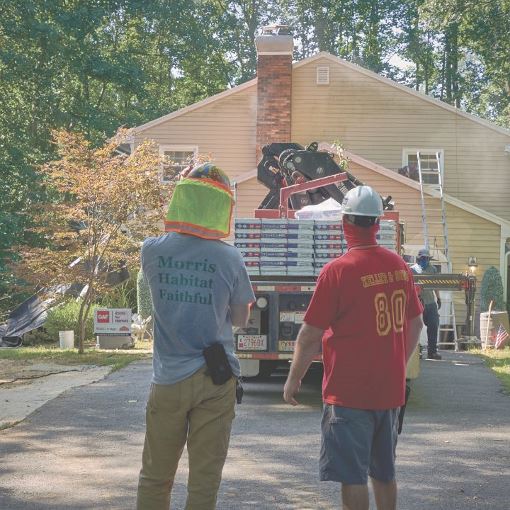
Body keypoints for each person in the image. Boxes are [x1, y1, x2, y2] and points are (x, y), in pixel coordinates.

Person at [283, 185, 423, 510]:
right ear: (378, 222)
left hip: (348, 395)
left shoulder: (337, 271)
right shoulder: (399, 266)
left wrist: (293, 381)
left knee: (353, 477)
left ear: (345, 222)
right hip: (389, 393)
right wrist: (397, 365)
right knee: (384, 473)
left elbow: (309, 335)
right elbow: (416, 324)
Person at [136, 162, 255, 510]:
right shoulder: (230, 257)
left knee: (156, 476)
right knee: (204, 481)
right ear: (221, 206)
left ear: (183, 198)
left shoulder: (151, 250)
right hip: (215, 379)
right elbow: (239, 319)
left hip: (168, 378)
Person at [411, 248, 442, 360]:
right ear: (419, 258)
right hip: (417, 302)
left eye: (427, 258)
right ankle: (416, 352)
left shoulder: (432, 269)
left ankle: (432, 351)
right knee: (416, 327)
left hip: (430, 302)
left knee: (433, 325)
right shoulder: (412, 270)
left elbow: (435, 285)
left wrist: (438, 298)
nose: (425, 260)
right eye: (423, 258)